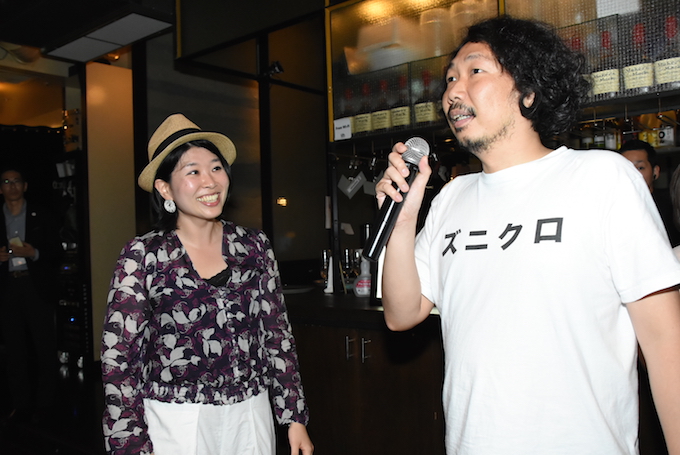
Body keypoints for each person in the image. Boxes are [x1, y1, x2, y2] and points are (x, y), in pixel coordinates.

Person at [377, 16, 680, 455]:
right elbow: (401, 313)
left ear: (529, 91)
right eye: (450, 79)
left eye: (475, 71)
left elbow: (665, 341)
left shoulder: (602, 178)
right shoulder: (451, 198)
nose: (453, 92)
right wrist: (404, 220)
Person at [101, 113, 313, 455]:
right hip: (177, 420)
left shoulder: (253, 245)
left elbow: (277, 335)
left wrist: (294, 417)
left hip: (251, 413)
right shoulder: (144, 255)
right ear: (165, 188)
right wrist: (129, 442)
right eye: (193, 172)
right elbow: (118, 358)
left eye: (216, 168)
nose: (210, 181)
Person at [0, 166, 60, 425]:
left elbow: (56, 252)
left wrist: (33, 253)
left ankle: (46, 405)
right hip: (8, 288)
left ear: (24, 186)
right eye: (6, 181)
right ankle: (20, 405)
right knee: (14, 349)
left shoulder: (41, 215)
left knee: (44, 346)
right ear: (0, 188)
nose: (12, 185)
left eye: (16, 181)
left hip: (35, 286)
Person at [618, 139, 680, 246]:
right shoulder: (613, 209)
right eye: (626, 168)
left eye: (640, 168)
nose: (633, 173)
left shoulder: (671, 207)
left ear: (655, 171)